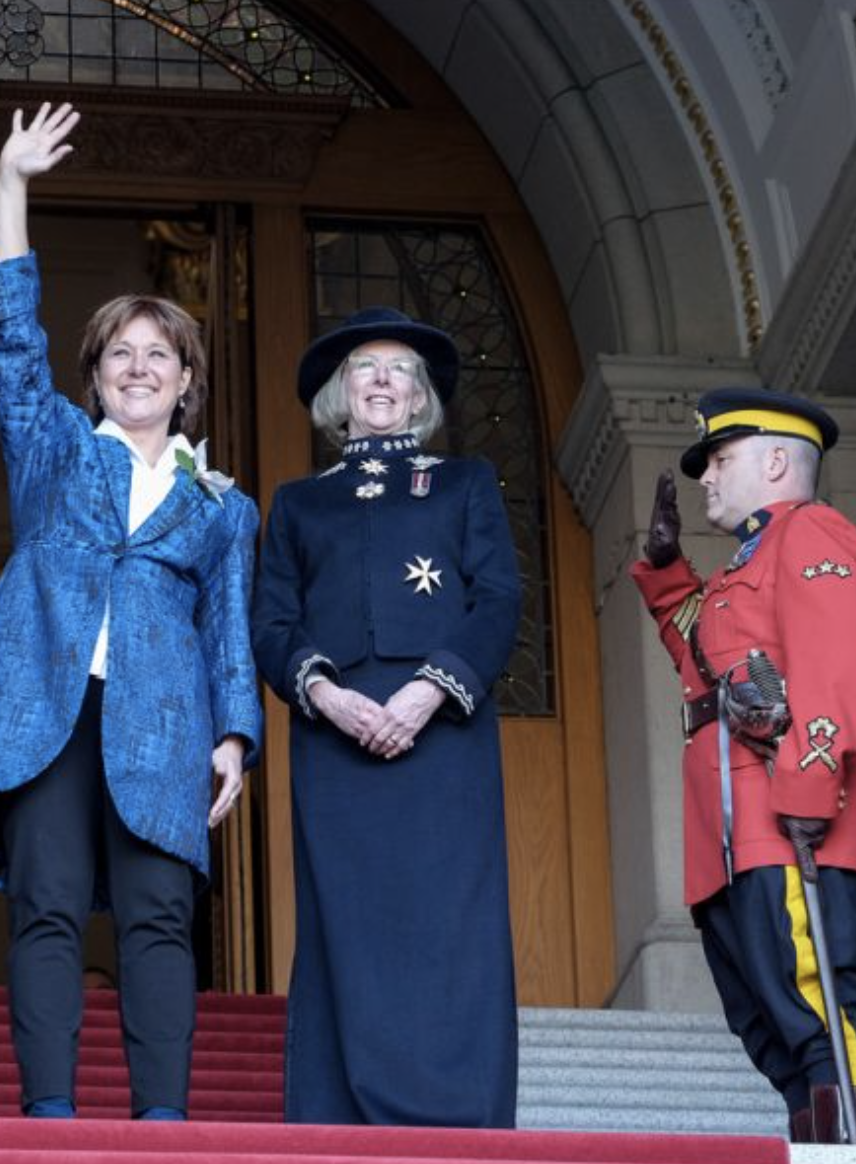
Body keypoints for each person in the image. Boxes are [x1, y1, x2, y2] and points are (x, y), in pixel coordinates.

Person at [0, 102, 261, 1122]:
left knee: (159, 917)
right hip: (45, 713)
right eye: (119, 354)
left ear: (186, 383)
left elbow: (229, 630)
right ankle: (49, 1110)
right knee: (46, 908)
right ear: (94, 377)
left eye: (159, 356)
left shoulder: (223, 508)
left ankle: (163, 1120)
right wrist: (11, 181)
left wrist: (235, 738)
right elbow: (13, 335)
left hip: (166, 723)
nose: (139, 368)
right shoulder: (52, 449)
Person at [252, 307, 522, 1127]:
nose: (381, 380)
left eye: (399, 369)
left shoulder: (464, 482)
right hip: (335, 738)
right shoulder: (299, 504)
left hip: (443, 735)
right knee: (348, 925)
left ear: (419, 396)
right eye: (364, 367)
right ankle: (340, 1118)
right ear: (340, 393)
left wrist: (428, 691)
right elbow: (271, 622)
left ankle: (457, 1116)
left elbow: (498, 600)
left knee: (450, 921)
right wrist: (328, 697)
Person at [630, 388, 856, 1145]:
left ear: (777, 460)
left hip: (784, 818)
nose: (706, 476)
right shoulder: (746, 562)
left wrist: (808, 788)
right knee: (773, 1032)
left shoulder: (813, 531)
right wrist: (667, 572)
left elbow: (838, 668)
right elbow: (707, 664)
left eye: (721, 459)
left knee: (817, 1017)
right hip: (731, 831)